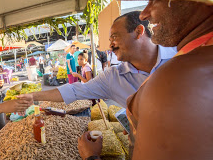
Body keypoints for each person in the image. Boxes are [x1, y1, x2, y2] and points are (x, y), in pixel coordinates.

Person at [77, 0, 213, 160]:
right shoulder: (197, 61)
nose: (145, 12)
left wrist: (91, 158)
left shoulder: (182, 78)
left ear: (196, 1)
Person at [20, 11, 177, 108]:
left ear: (138, 31)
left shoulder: (180, 55)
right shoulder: (112, 77)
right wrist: (34, 96)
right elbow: (74, 90)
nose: (110, 45)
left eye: (114, 37)